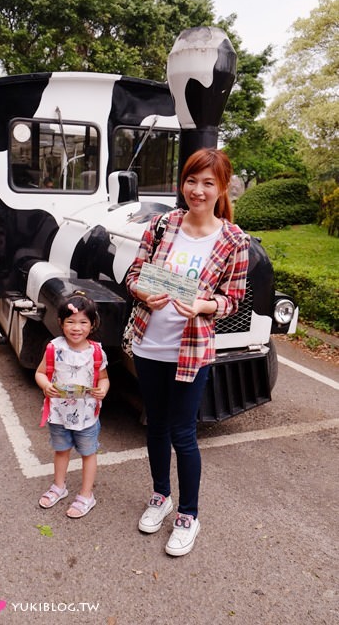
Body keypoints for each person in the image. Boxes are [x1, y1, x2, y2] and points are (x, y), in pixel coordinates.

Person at [125, 148, 250, 557]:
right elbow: (132, 275)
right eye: (191, 181)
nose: (197, 190)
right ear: (183, 183)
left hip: (192, 351)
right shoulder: (162, 225)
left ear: (222, 188)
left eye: (208, 183)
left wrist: (202, 306)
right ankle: (160, 496)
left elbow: (232, 299)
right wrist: (145, 291)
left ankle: (188, 515)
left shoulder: (234, 241)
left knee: (184, 433)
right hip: (149, 343)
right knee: (155, 426)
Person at [35, 292, 110, 518]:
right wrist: (45, 385)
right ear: (61, 323)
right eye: (70, 322)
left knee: (88, 453)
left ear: (92, 324)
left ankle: (86, 495)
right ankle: (59, 486)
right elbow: (40, 373)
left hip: (87, 416)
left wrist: (103, 390)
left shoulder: (96, 352)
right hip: (58, 414)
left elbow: (103, 378)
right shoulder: (54, 348)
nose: (76, 328)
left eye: (83, 323)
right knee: (61, 451)